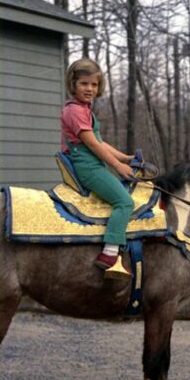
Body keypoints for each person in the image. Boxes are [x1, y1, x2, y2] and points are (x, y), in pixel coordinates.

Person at [61, 58, 134, 279]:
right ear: (73, 84)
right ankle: (110, 254)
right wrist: (118, 166)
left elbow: (99, 142)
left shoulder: (84, 110)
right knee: (124, 202)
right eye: (84, 83)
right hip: (87, 167)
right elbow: (92, 145)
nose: (90, 89)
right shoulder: (74, 111)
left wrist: (125, 158)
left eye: (94, 84)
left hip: (93, 162)